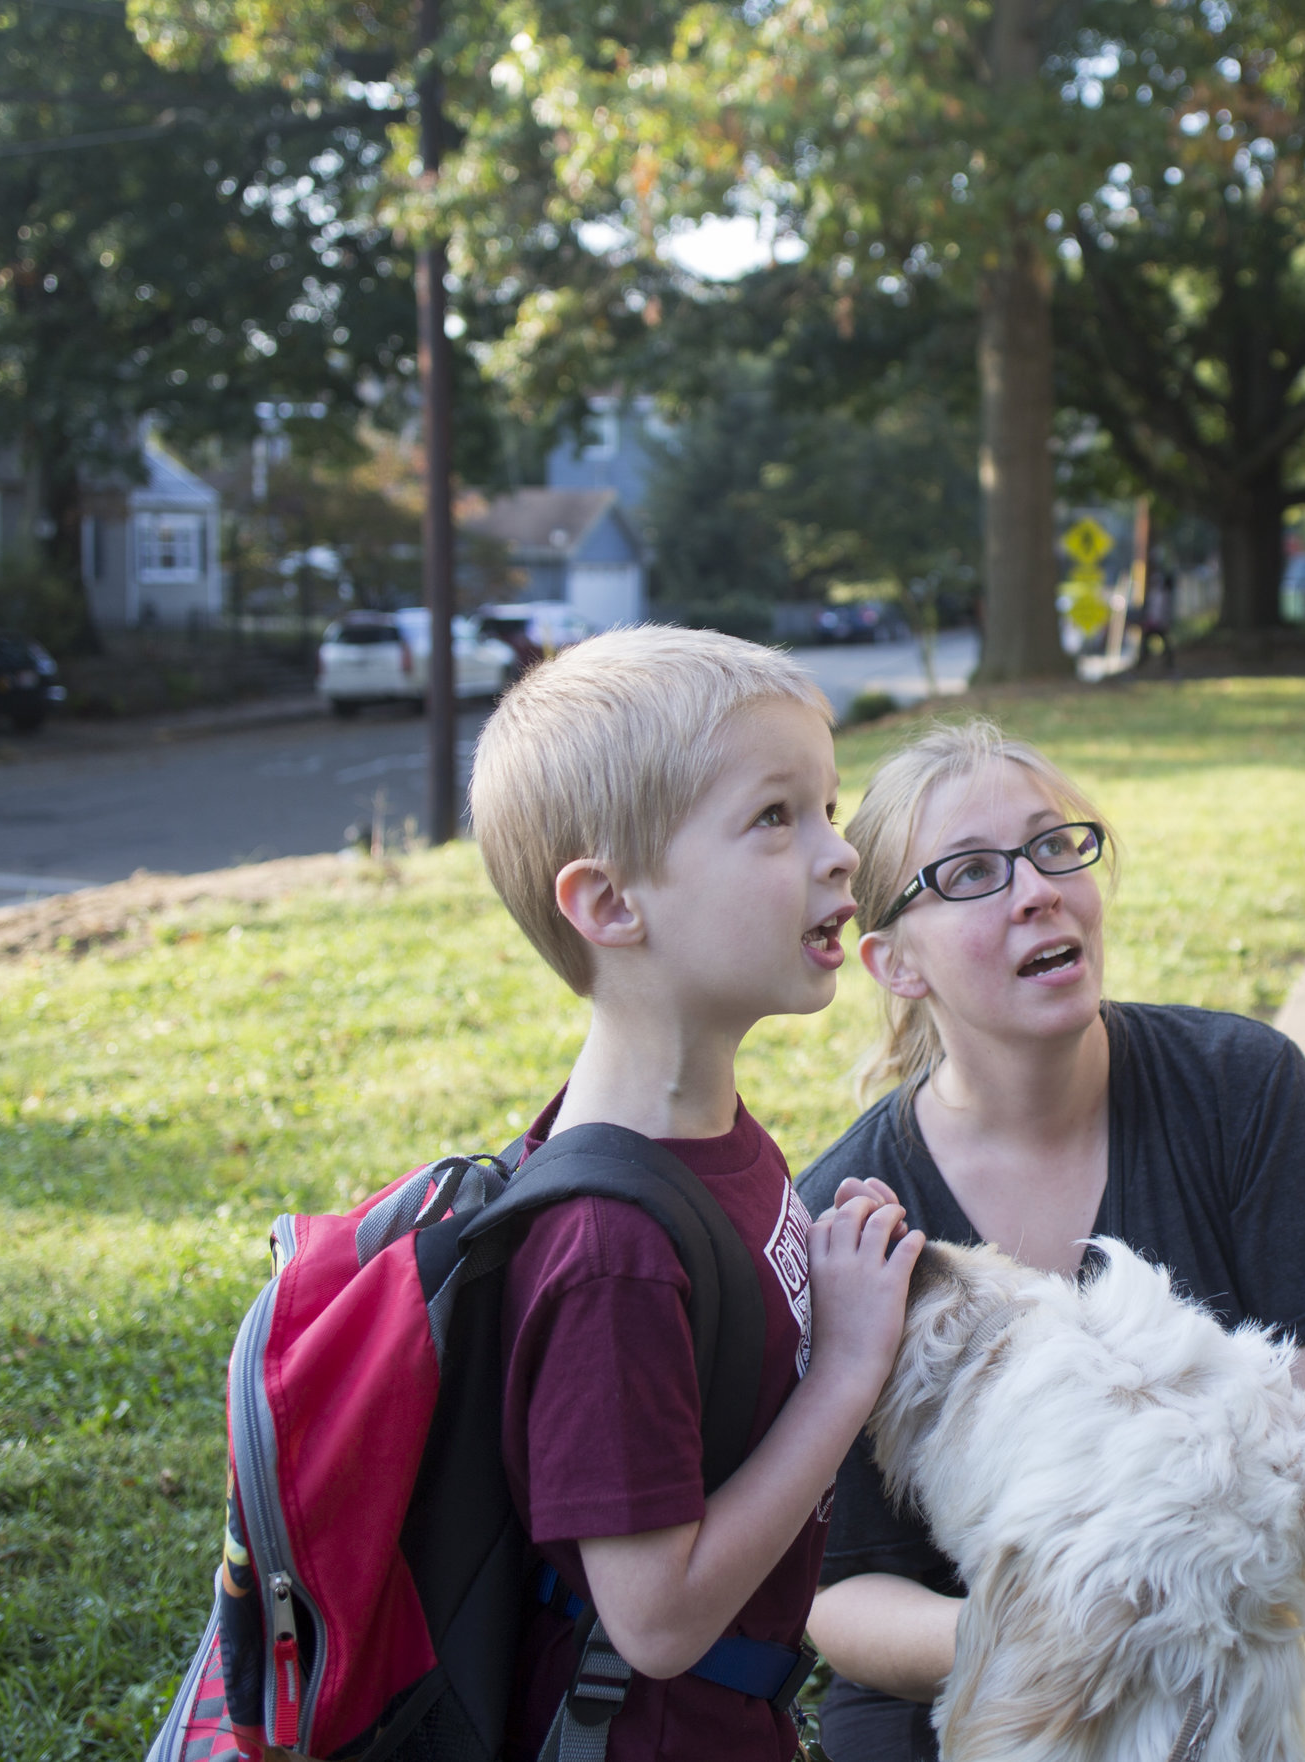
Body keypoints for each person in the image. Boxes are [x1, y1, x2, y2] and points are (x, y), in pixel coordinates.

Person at [795, 719, 1305, 1762]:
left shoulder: (1242, 1088)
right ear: (894, 961)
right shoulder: (855, 1214)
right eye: (973, 872)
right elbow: (839, 1588)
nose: (1036, 887)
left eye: (1054, 846)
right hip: (975, 1698)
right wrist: (1055, 1632)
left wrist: (1164, 1581)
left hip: (1238, 1670)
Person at [467, 627, 926, 1762]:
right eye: (776, 817)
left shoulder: (713, 1134)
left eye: (828, 806)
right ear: (611, 903)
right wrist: (848, 1365)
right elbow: (657, 1619)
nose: (839, 853)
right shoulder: (608, 1246)